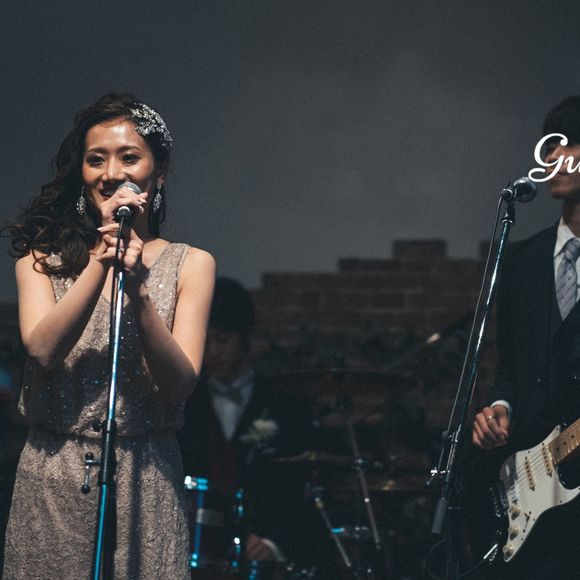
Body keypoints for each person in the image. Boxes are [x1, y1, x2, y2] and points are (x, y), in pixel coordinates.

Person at [2, 93, 215, 579]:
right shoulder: (41, 260)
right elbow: (43, 349)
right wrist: (102, 260)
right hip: (54, 474)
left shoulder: (192, 264)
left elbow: (179, 385)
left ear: (159, 172)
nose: (112, 173)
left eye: (129, 157)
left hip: (147, 474)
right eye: (96, 159)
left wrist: (138, 290)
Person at [471, 96, 580, 578]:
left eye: (567, 143)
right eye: (547, 146)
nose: (551, 156)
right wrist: (500, 408)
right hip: (530, 485)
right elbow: (511, 367)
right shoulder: (520, 261)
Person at [178, 277, 317, 569]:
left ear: (244, 338)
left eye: (222, 340)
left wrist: (274, 543)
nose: (212, 351)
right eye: (205, 340)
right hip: (194, 548)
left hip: (262, 553)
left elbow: (296, 487)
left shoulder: (285, 405)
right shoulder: (186, 402)